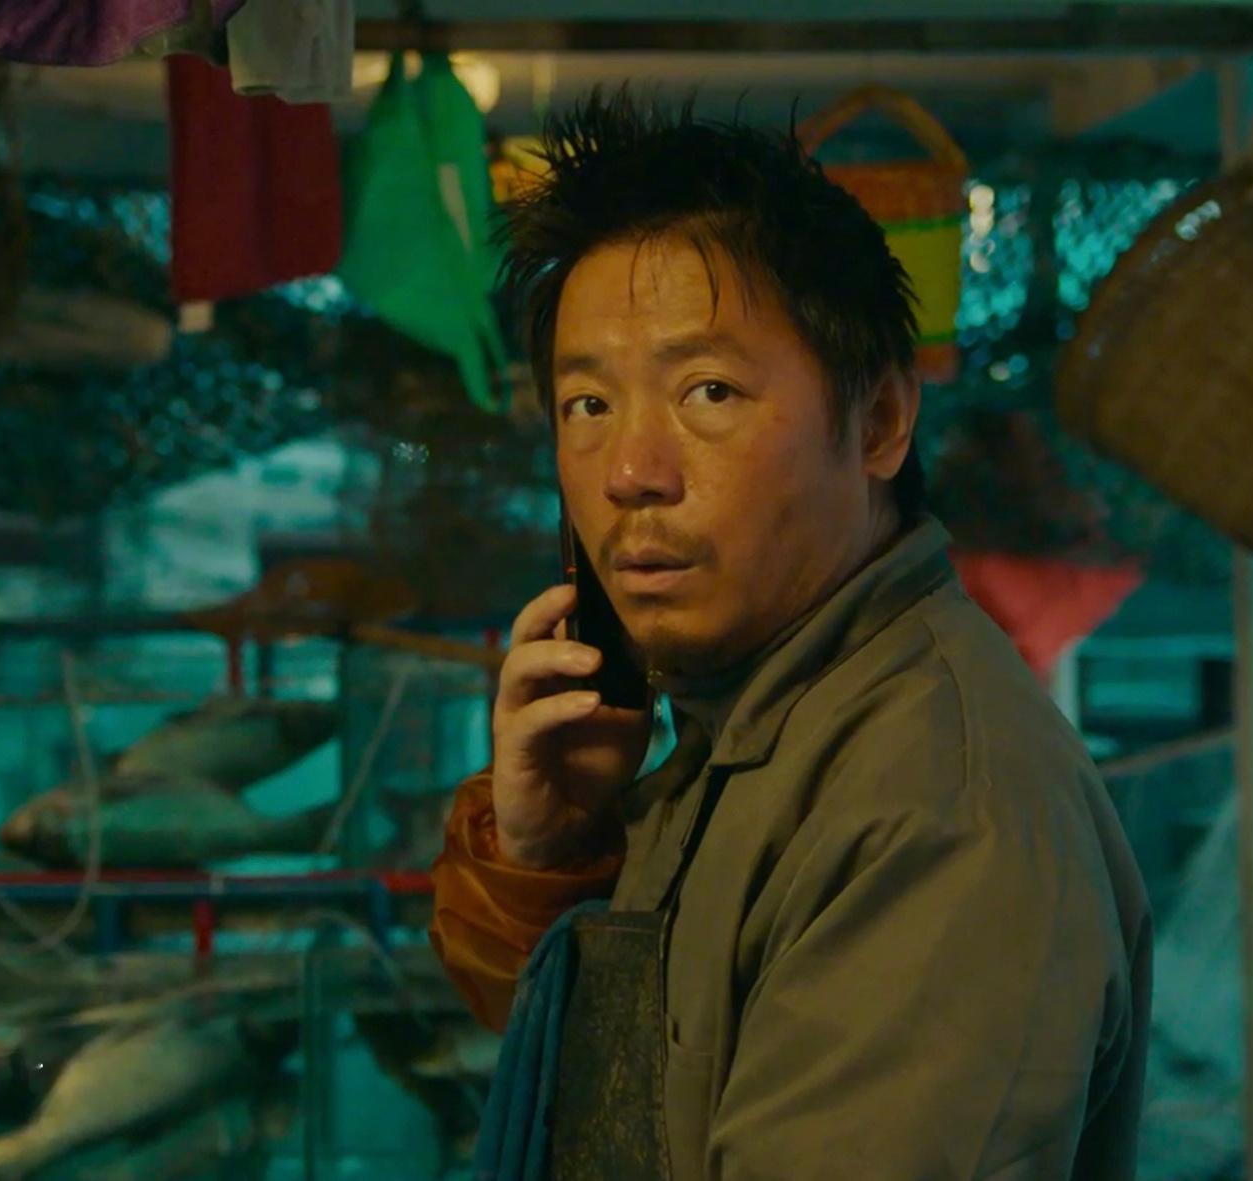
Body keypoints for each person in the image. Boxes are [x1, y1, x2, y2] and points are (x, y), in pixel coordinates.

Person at [428, 90, 1152, 1181]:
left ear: (877, 422)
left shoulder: (931, 807)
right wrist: (547, 856)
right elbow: (598, 1096)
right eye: (587, 405)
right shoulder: (738, 728)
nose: (630, 472)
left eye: (707, 390)